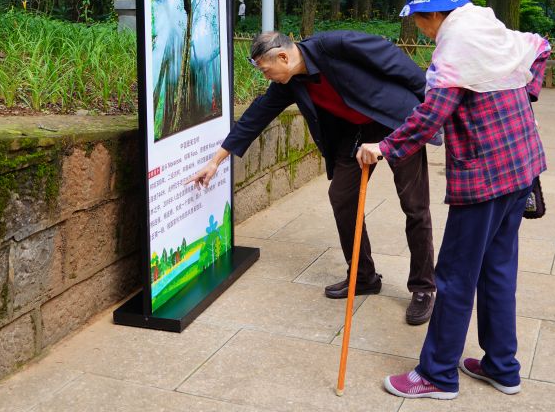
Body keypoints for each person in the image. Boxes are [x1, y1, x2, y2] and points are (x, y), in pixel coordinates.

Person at [356, 0, 549, 400]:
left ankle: (438, 374)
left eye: (419, 20)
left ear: (430, 14)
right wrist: (522, 94)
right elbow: (540, 47)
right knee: (498, 269)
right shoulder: (485, 24)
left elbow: (429, 117)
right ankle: (503, 366)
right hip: (521, 165)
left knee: (456, 276)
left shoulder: (457, 45)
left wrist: (383, 148)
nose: (420, 30)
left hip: (485, 174)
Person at [187, 29, 437, 324]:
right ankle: (363, 275)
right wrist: (216, 161)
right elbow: (256, 115)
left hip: (396, 121)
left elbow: (397, 64)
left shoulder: (338, 44)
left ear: (283, 56)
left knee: (414, 204)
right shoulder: (289, 83)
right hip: (355, 133)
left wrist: (430, 112)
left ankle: (423, 287)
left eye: (266, 70)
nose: (266, 77)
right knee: (342, 197)